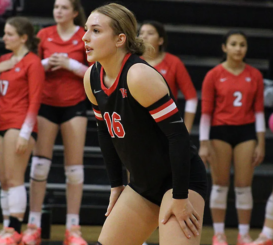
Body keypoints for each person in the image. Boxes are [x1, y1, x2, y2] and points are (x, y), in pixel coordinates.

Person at [82, 3, 207, 245]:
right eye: (86, 30)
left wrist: (180, 197)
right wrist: (116, 185)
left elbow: (179, 137)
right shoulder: (92, 77)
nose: (85, 37)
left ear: (120, 39)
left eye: (96, 31)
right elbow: (104, 133)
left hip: (179, 181)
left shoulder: (138, 75)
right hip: (142, 184)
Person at [20, 0, 89, 245]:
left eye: (63, 7)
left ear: (74, 12)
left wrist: (71, 65)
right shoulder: (44, 35)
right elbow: (28, 67)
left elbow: (96, 71)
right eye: (55, 7)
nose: (58, 11)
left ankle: (73, 229)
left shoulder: (84, 35)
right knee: (39, 166)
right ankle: (33, 225)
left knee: (74, 169)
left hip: (74, 105)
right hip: (46, 104)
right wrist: (47, 64)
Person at [199, 30, 265, 245]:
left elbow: (259, 112)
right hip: (220, 131)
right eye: (234, 44)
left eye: (242, 45)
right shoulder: (214, 75)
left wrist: (261, 142)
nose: (239, 48)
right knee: (220, 184)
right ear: (224, 47)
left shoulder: (254, 75)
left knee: (244, 185)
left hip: (246, 132)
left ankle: (243, 234)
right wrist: (203, 143)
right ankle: (219, 234)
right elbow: (206, 112)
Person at [0, 16, 44, 245]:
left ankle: (14, 230)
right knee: (4, 181)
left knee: (14, 178)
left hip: (18, 125)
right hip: (0, 122)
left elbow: (35, 101)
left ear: (23, 38)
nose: (4, 38)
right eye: (5, 33)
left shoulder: (33, 63)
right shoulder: (4, 59)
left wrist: (25, 133)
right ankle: (6, 228)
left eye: (9, 34)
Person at [139, 21, 198, 132]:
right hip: (138, 123)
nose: (144, 36)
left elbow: (191, 98)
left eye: (150, 33)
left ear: (160, 40)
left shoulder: (173, 62)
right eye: (141, 33)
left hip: (166, 123)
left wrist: (187, 130)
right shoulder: (131, 61)